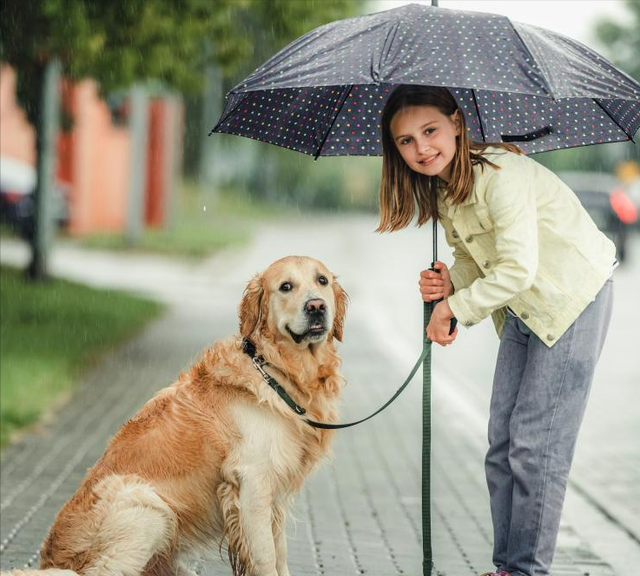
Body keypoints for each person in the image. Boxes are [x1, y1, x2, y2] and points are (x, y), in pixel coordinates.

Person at [377, 84, 617, 576]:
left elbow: (517, 269)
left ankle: (527, 571)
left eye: (429, 131)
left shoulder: (500, 175)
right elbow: (472, 258)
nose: (421, 148)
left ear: (457, 123)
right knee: (502, 445)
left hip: (571, 299)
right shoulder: (447, 189)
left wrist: (454, 309)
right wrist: (449, 285)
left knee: (535, 447)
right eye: (405, 141)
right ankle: (507, 567)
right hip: (524, 310)